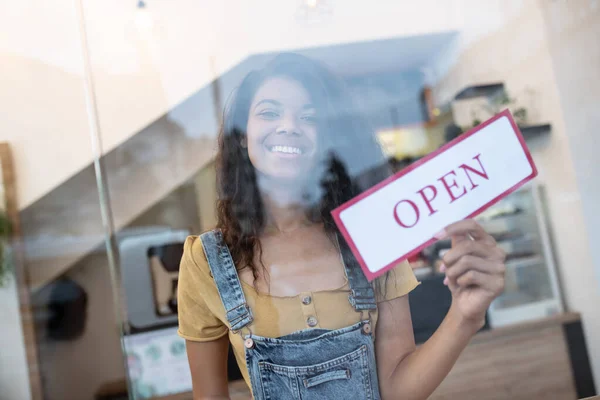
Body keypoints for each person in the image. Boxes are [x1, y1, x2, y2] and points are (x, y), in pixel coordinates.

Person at [177, 53, 506, 399]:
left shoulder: (375, 235)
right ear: (242, 135)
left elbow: (397, 390)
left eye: (309, 117)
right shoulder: (206, 261)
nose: (289, 125)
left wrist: (464, 317)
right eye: (270, 112)